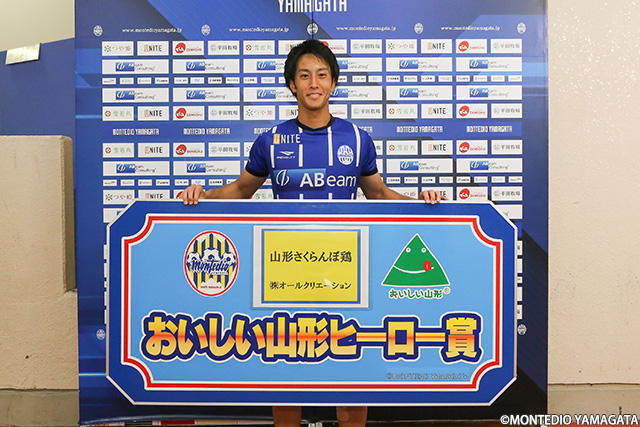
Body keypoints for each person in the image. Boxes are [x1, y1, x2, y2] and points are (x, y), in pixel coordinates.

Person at [181, 39, 446, 427]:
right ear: (292, 84)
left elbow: (378, 194)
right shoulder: (271, 140)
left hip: (345, 267)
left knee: (350, 365)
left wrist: (421, 202)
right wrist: (202, 195)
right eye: (304, 76)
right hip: (285, 269)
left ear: (333, 83)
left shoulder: (357, 139)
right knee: (287, 364)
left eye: (322, 75)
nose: (314, 83)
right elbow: (240, 189)